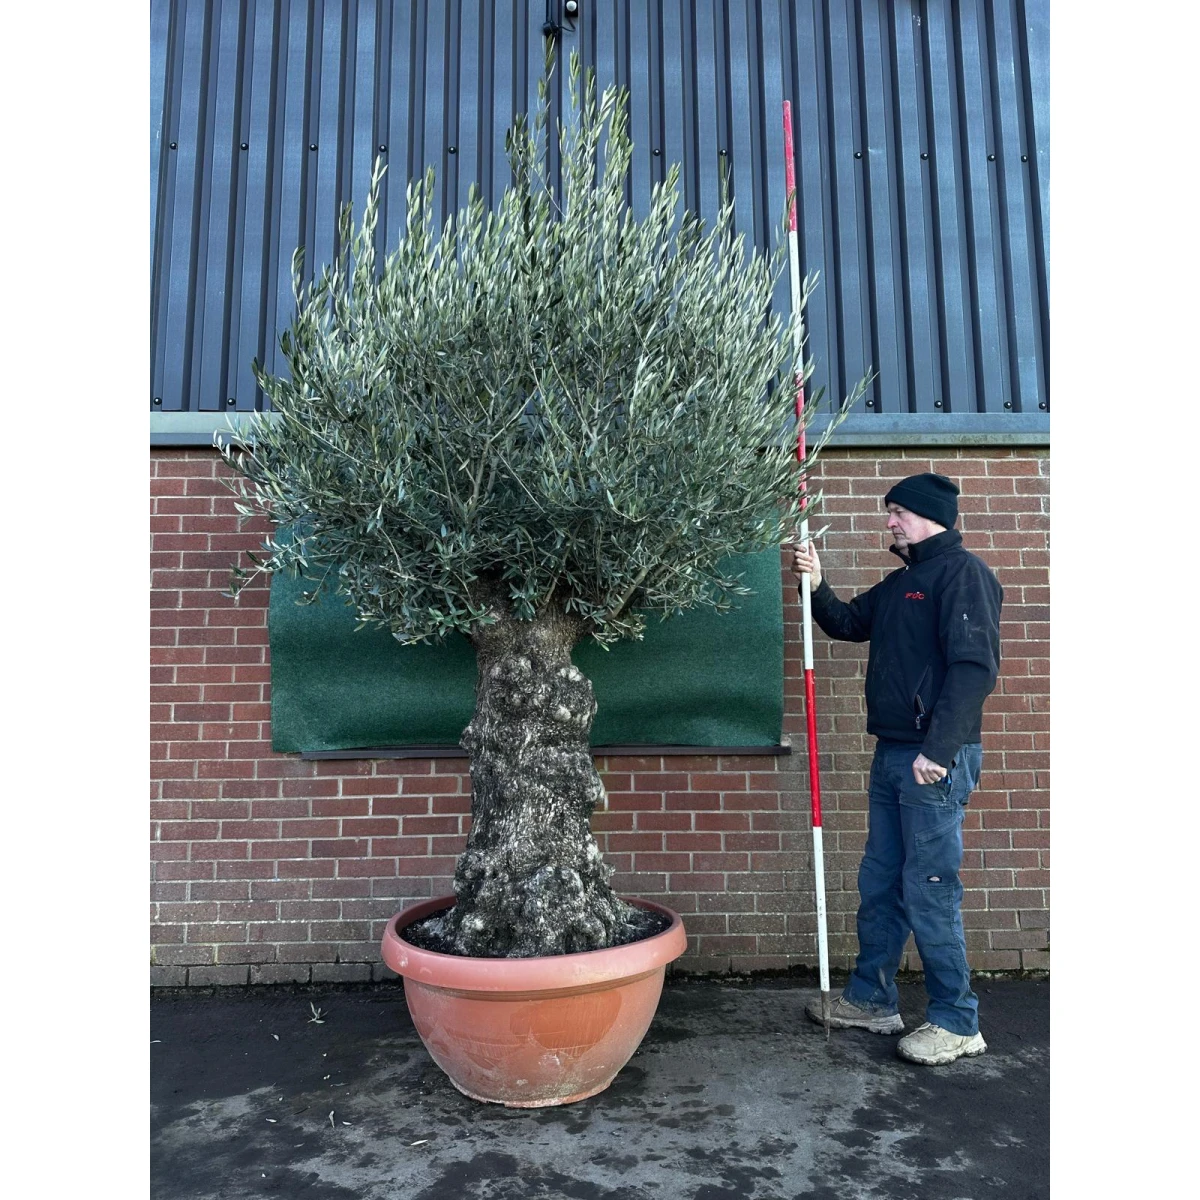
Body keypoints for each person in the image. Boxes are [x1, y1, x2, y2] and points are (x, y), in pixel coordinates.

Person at [790, 471, 1003, 1065]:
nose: (889, 522)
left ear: (930, 516)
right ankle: (873, 1001)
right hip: (892, 755)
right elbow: (846, 624)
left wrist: (937, 752)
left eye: (897, 513)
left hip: (932, 761)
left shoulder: (965, 576)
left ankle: (957, 1021)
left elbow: (972, 670)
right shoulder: (900, 583)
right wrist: (817, 583)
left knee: (929, 887)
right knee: (880, 880)